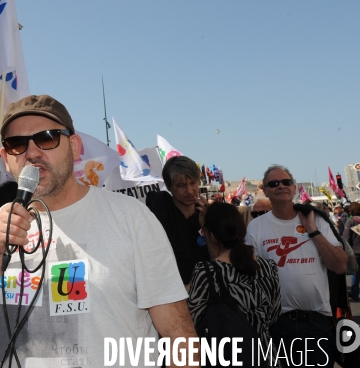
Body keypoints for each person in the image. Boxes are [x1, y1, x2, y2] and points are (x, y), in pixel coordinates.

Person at [0, 95, 196, 366]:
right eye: (17, 144)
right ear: (6, 159)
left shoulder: (131, 218)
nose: (32, 152)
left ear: (75, 147)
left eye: (47, 138)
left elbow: (179, 338)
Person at [246, 165, 348, 368]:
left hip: (317, 322)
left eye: (286, 182)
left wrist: (312, 230)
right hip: (277, 324)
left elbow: (339, 265)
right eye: (274, 184)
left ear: (294, 187)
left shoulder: (316, 218)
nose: (281, 186)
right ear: (265, 190)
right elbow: (249, 275)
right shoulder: (256, 226)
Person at [189, 202, 281, 353]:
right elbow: (275, 315)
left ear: (211, 236)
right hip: (264, 355)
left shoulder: (206, 272)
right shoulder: (269, 267)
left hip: (227, 356)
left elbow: (194, 320)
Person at [145, 156, 209, 286]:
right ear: (169, 186)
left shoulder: (207, 215)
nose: (190, 191)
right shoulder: (160, 213)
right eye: (182, 186)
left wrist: (208, 226)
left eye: (193, 183)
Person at [343, 202, 360, 301]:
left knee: (355, 272)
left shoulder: (351, 221)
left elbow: (346, 239)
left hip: (356, 251)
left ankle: (355, 294)